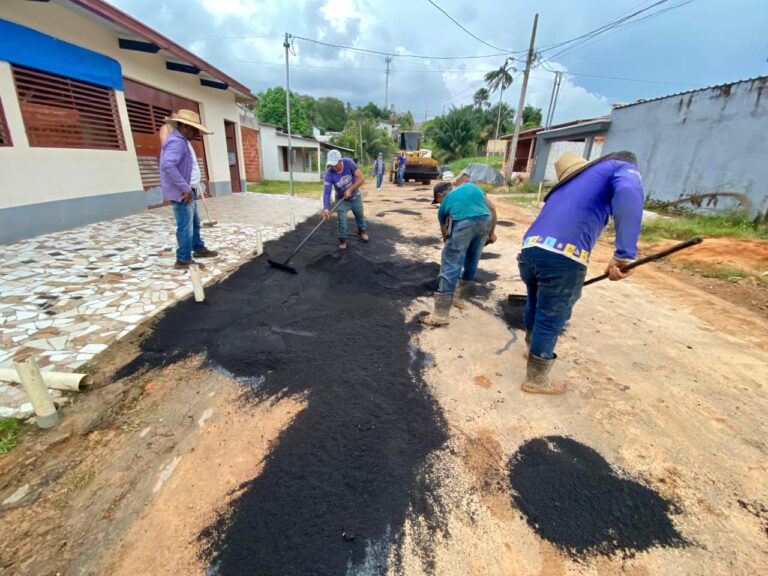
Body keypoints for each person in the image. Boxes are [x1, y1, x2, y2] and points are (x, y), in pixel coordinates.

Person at [519, 150, 644, 395]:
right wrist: (625, 254)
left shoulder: (560, 191)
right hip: (563, 256)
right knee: (551, 315)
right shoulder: (620, 166)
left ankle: (530, 348)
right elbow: (630, 192)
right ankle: (536, 379)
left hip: (529, 250)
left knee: (535, 303)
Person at [422, 172, 498, 326]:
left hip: (464, 224)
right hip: (485, 221)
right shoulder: (471, 187)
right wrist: (492, 233)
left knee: (451, 263)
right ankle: (459, 298)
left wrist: (448, 248)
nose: (439, 203)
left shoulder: (445, 203)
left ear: (441, 195)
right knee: (472, 260)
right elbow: (492, 207)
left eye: (437, 200)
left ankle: (440, 315)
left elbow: (445, 231)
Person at [159, 109, 218, 269]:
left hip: (188, 190)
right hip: (182, 192)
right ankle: (183, 259)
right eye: (195, 129)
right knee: (186, 226)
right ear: (185, 126)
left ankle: (198, 248)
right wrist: (185, 188)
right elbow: (167, 165)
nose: (197, 133)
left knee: (195, 222)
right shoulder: (176, 141)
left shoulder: (182, 140)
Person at [322, 149, 368, 250]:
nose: (333, 167)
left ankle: (361, 231)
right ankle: (342, 239)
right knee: (341, 220)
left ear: (340, 161)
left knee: (359, 215)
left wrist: (350, 189)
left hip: (355, 196)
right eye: (331, 165)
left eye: (335, 164)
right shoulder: (329, 174)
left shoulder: (348, 163)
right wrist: (326, 208)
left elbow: (361, 178)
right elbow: (327, 192)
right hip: (341, 199)